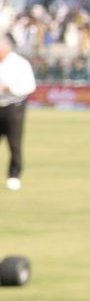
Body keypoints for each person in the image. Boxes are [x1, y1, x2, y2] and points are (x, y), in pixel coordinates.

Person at [0, 35, 32, 190]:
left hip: (14, 106)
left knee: (14, 142)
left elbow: (29, 86)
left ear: (6, 47)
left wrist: (9, 87)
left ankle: (14, 176)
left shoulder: (20, 63)